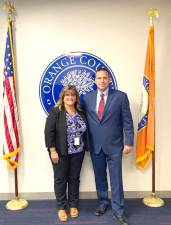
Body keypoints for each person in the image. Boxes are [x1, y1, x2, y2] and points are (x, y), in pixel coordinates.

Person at [83, 68, 134, 225]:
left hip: (115, 146)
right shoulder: (87, 98)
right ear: (95, 81)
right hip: (95, 145)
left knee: (116, 179)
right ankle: (103, 203)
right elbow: (83, 121)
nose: (102, 80)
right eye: (99, 78)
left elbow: (127, 121)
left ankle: (118, 210)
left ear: (109, 80)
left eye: (105, 78)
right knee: (100, 177)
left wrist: (129, 142)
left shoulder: (120, 97)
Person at [45, 85, 88, 222]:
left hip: (78, 152)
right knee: (60, 179)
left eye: (73, 95)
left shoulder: (81, 112)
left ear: (76, 98)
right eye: (67, 95)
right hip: (60, 152)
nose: (70, 97)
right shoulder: (56, 112)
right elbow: (48, 132)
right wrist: (52, 150)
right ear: (63, 98)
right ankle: (61, 207)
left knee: (74, 178)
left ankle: (73, 205)